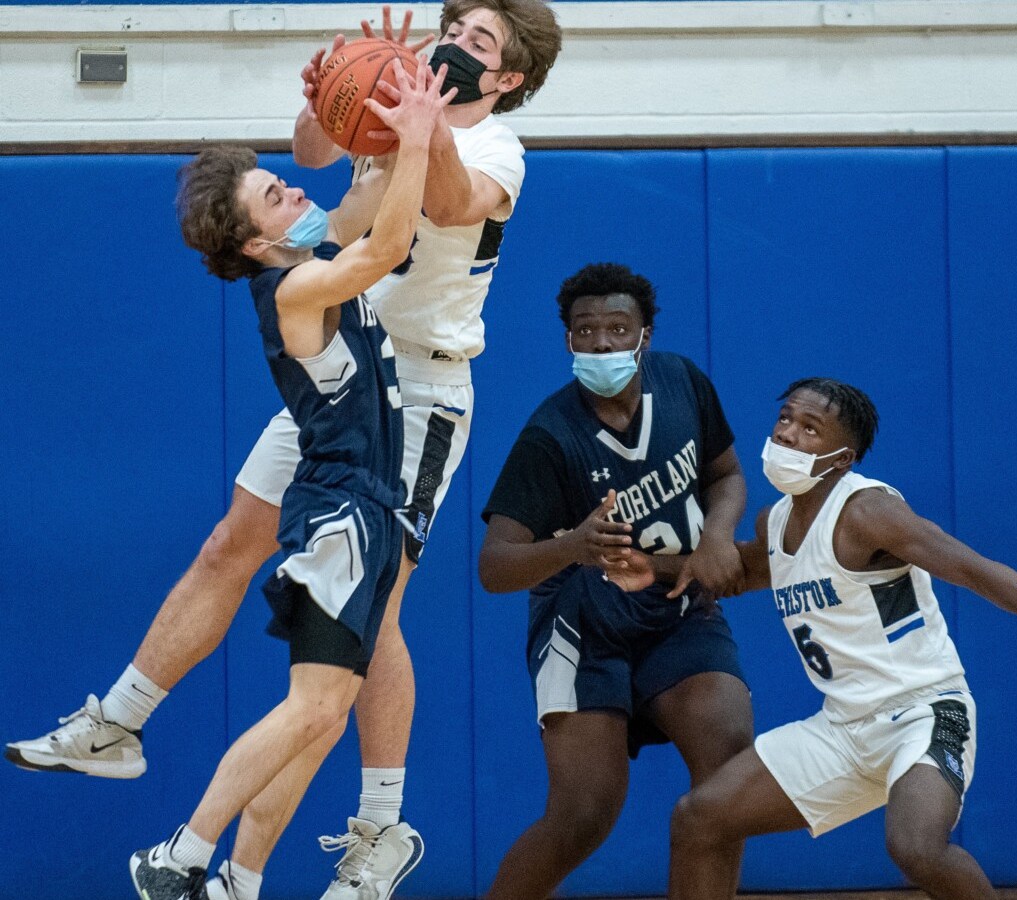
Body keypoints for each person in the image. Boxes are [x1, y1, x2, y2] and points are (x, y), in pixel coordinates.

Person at [6, 3, 561, 898]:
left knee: (369, 625)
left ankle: (376, 826)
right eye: (454, 26)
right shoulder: (395, 115)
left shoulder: (495, 146)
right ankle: (121, 722)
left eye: (479, 41)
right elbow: (310, 159)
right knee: (228, 544)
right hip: (341, 363)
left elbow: (447, 204)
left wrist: (416, 124)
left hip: (416, 391)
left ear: (506, 78)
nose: (455, 42)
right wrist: (331, 95)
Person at [127, 59, 450, 900]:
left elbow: (367, 204)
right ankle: (178, 856)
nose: (296, 193)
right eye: (276, 197)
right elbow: (390, 244)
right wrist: (416, 134)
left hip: (362, 510)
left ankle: (203, 868)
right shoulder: (296, 286)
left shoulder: (311, 255)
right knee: (312, 709)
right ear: (255, 244)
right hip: (343, 514)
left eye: (282, 182)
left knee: (321, 713)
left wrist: (372, 118)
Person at [665, 377, 1017, 900]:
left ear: (843, 459)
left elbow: (973, 570)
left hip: (924, 711)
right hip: (843, 726)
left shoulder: (867, 512)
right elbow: (739, 571)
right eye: (786, 418)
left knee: (917, 847)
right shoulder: (773, 522)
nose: (788, 433)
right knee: (699, 818)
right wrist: (646, 567)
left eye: (810, 428)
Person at [477, 262, 755, 899]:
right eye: (585, 331)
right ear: (568, 340)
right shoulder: (550, 435)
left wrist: (717, 536)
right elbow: (494, 567)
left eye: (616, 329)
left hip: (677, 607)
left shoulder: (683, 382)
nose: (601, 343)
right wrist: (573, 546)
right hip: (584, 624)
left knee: (729, 764)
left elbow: (726, 475)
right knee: (583, 815)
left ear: (644, 336)